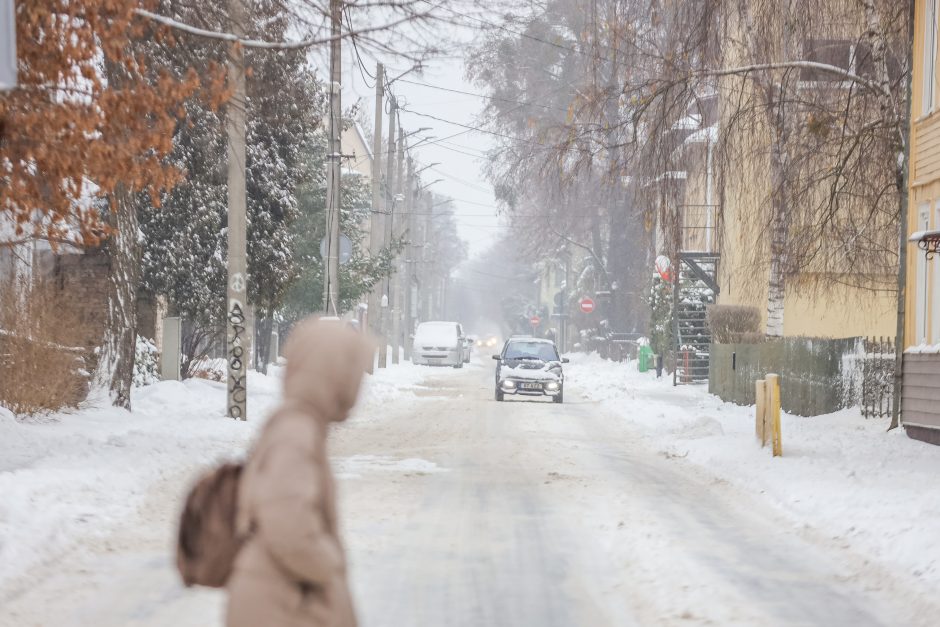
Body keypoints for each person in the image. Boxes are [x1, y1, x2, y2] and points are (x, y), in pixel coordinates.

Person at [226, 317, 374, 627]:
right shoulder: (298, 432)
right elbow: (287, 522)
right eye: (354, 372)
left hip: (282, 597)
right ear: (334, 375)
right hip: (281, 605)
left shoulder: (300, 423)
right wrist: (329, 566)